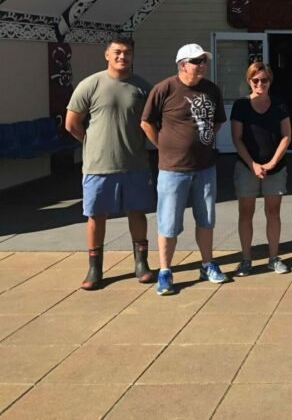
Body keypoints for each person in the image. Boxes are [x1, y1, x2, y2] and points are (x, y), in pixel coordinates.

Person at [65, 36, 155, 290]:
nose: (122, 56)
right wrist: (91, 142)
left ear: (133, 56)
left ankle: (141, 264)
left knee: (137, 212)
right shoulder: (90, 84)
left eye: (127, 52)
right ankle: (95, 269)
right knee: (96, 216)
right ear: (107, 55)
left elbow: (152, 123)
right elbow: (71, 124)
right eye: (117, 52)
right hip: (98, 166)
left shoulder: (142, 88)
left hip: (135, 164)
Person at [141, 43, 227, 295]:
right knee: (168, 222)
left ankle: (207, 264)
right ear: (182, 65)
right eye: (196, 61)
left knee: (206, 219)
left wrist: (203, 140)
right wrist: (163, 145)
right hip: (173, 170)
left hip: (205, 168)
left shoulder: (212, 89)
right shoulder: (164, 88)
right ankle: (165, 271)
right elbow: (146, 122)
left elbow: (218, 121)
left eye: (204, 61)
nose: (202, 65)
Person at [230, 61, 292, 276]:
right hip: (247, 167)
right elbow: (237, 138)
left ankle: (273, 258)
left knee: (273, 213)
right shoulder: (241, 105)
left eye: (264, 80)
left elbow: (286, 136)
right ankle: (246, 259)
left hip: (275, 167)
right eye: (255, 80)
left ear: (270, 81)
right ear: (249, 81)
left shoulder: (279, 104)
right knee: (246, 213)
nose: (259, 84)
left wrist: (273, 162)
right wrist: (252, 164)